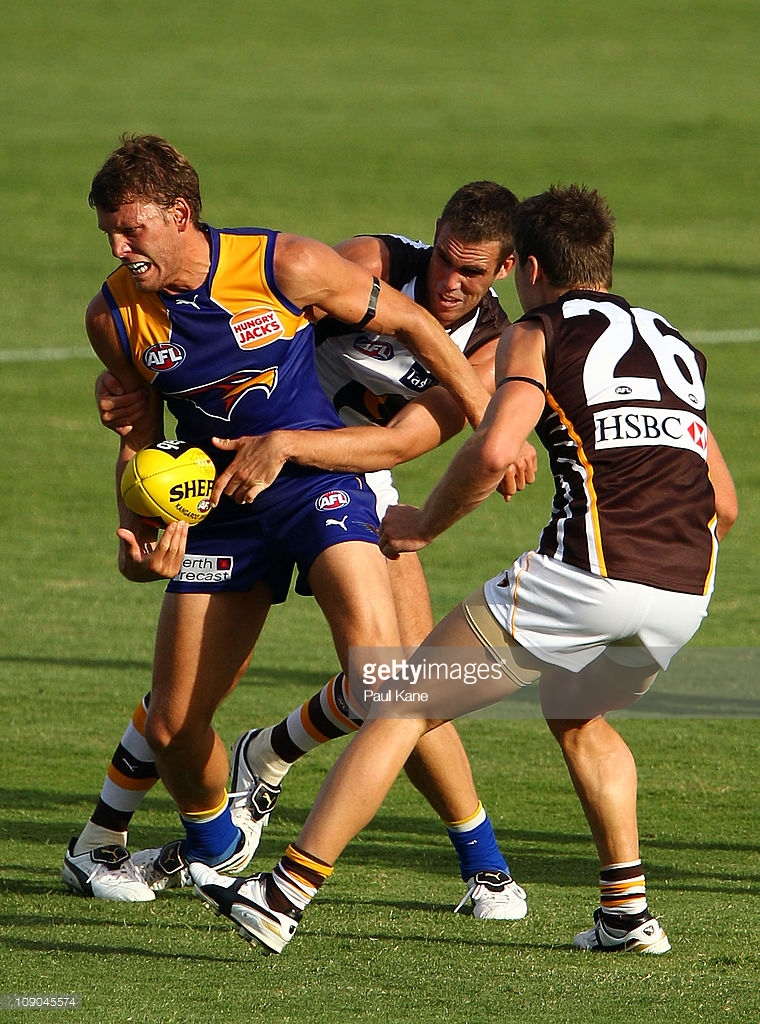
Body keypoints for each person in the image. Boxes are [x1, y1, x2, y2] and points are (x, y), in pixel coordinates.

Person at [191, 183, 738, 956]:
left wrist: (422, 523)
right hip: (685, 590)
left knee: (403, 703)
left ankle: (282, 894)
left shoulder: (536, 331)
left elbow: (490, 449)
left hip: (584, 577)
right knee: (579, 716)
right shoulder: (677, 342)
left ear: (532, 266)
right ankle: (626, 913)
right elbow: (725, 501)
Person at [61, 135, 528, 919]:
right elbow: (137, 437)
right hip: (223, 503)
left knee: (390, 677)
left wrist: (492, 421)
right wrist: (140, 532)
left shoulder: (474, 342)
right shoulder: (116, 317)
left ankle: (446, 853)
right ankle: (201, 842)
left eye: (131, 229)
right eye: (110, 230)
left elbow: (397, 438)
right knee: (177, 721)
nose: (117, 246)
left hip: (333, 476)